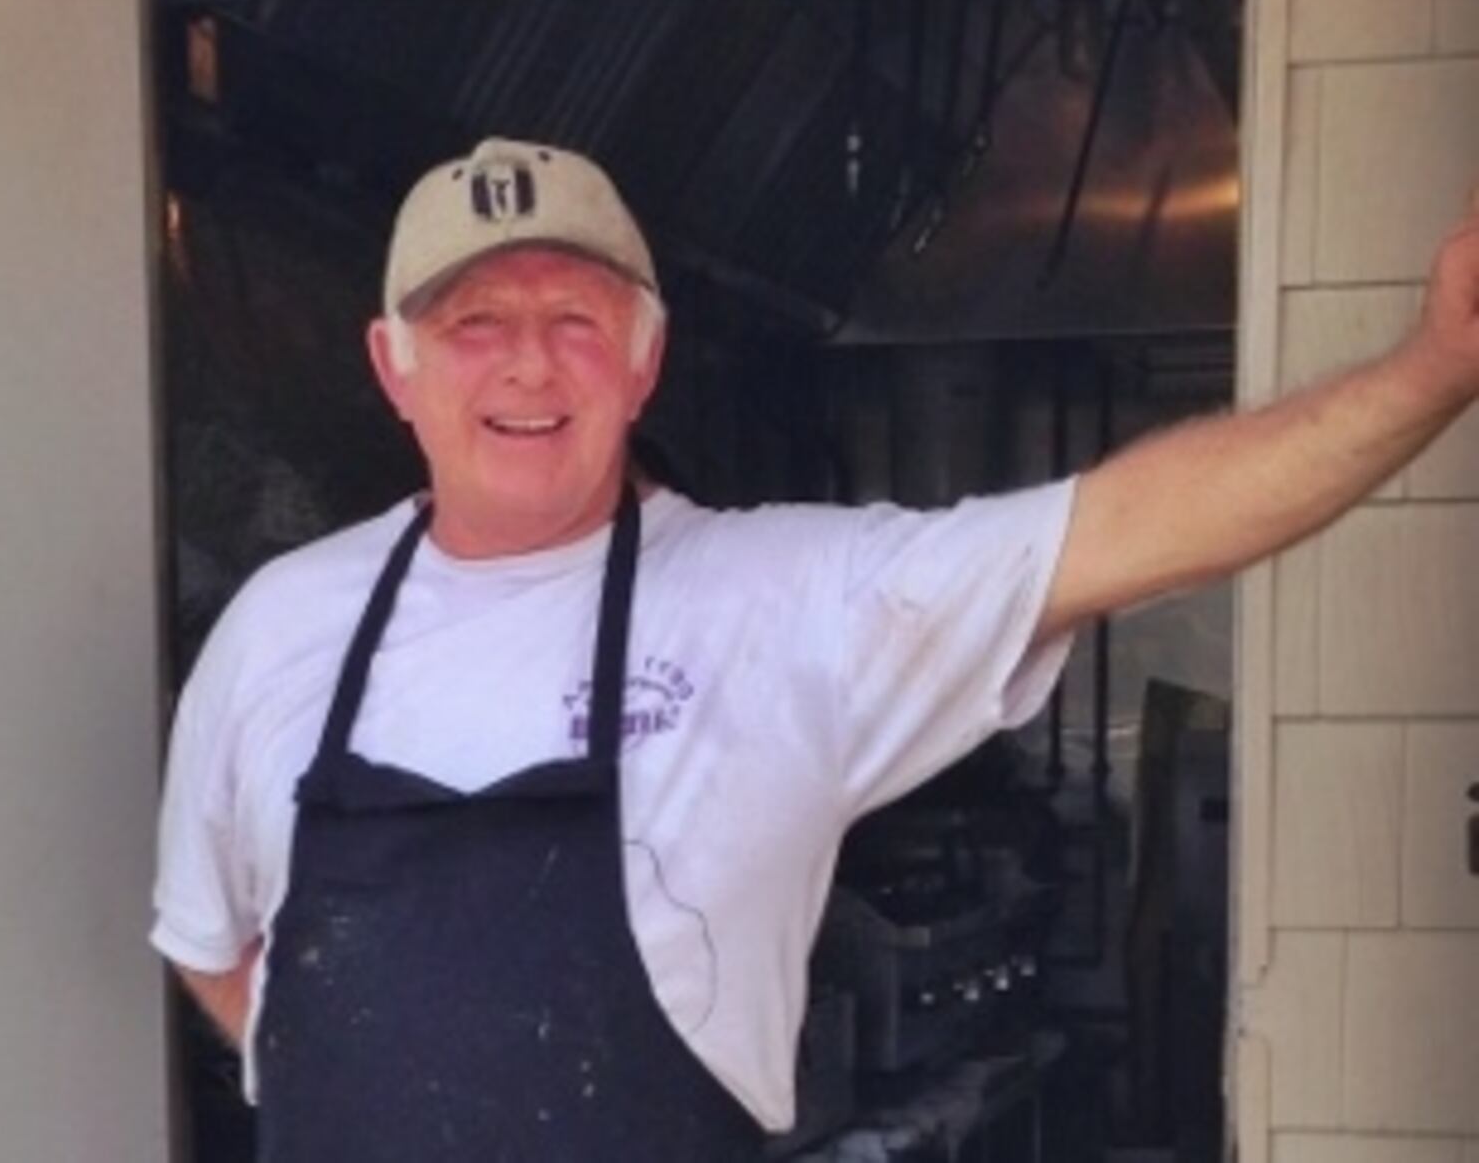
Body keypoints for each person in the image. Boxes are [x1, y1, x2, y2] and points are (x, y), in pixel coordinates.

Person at [152, 137, 1479, 1161]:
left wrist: (1429, 369)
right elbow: (212, 939)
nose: (528, 367)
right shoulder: (284, 622)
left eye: (574, 319)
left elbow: (1129, 529)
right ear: (393, 365)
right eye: (474, 326)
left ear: (644, 358)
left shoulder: (776, 600)